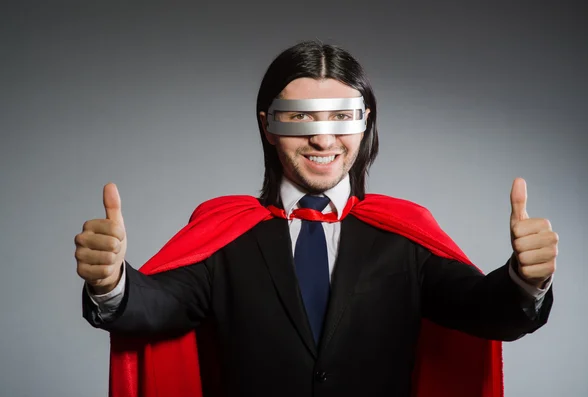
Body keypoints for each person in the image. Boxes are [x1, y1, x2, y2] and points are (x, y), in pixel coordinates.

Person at [75, 41, 557, 397]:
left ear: (365, 121)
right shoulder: (226, 234)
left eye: (341, 117)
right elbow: (157, 307)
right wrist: (111, 280)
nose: (324, 141)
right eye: (301, 118)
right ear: (268, 124)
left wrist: (525, 280)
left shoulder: (403, 237)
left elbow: (483, 309)